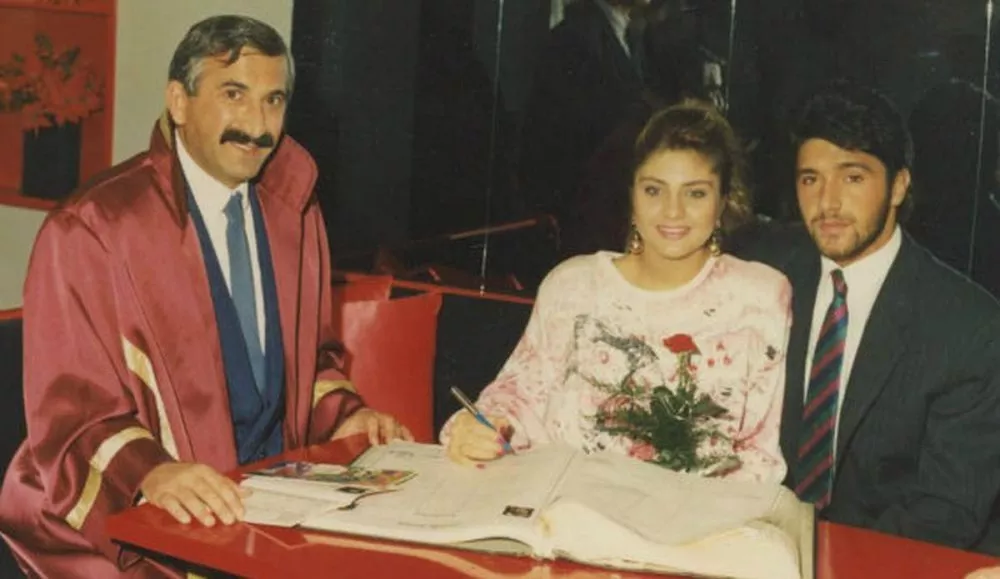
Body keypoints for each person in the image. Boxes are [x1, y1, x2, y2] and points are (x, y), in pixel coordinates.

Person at [0, 15, 411, 577]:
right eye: (233, 95)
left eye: (273, 101)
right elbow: (73, 414)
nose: (257, 126)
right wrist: (152, 471)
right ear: (179, 101)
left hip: (257, 509)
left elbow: (309, 363)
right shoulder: (93, 228)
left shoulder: (295, 211)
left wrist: (346, 418)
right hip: (118, 527)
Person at [443, 100, 792, 485]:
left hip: (697, 515)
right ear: (632, 195)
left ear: (724, 200)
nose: (672, 211)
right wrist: (483, 428)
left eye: (695, 193)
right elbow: (518, 398)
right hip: (565, 504)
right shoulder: (573, 286)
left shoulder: (759, 297)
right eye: (654, 190)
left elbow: (759, 455)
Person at [735, 80, 1000, 552]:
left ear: (898, 186)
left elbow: (946, 512)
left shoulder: (968, 327)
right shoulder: (764, 273)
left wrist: (814, 557)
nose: (828, 202)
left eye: (853, 178)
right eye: (810, 179)